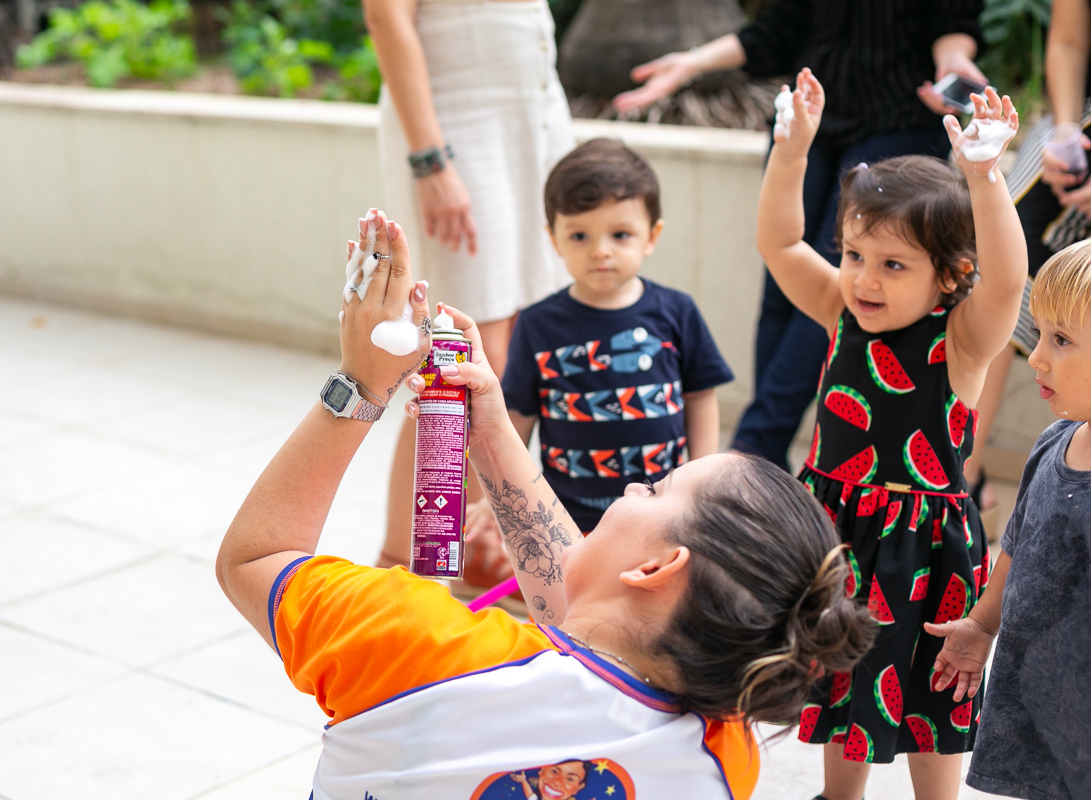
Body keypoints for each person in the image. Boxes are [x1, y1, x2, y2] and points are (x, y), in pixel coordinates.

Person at [216, 211, 876, 800]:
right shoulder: (720, 757)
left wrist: (359, 383)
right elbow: (597, 627)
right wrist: (492, 428)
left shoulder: (411, 640)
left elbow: (255, 556)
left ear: (655, 568)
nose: (629, 489)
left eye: (655, 490)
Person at [757, 70, 1025, 799]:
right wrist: (792, 150)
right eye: (853, 256)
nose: (864, 280)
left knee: (926, 689)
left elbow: (1005, 283)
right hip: (835, 527)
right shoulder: (840, 311)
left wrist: (983, 177)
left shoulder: (963, 338)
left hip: (924, 542)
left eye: (892, 265)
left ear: (948, 276)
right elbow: (779, 241)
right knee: (840, 679)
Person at [613, 0, 986, 471]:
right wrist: (693, 63)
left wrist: (952, 63)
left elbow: (953, 19)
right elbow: (780, 28)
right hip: (811, 118)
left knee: (840, 292)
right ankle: (761, 458)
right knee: (783, 288)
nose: (868, 275)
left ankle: (752, 451)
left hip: (895, 122)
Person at [364, 0, 575, 584]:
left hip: (531, 125)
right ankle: (402, 563)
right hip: (455, 128)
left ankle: (474, 549)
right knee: (460, 357)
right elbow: (386, 18)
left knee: (513, 353)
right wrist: (431, 161)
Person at [497, 138, 734, 533]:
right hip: (568, 520)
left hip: (664, 513)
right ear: (553, 237)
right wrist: (506, 498)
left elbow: (700, 396)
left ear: (651, 236)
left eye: (620, 234)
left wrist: (699, 483)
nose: (600, 251)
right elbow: (517, 417)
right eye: (579, 236)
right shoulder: (537, 324)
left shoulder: (677, 311)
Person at [925, 242, 1091, 800]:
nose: (1037, 357)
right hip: (1041, 704)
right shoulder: (1053, 443)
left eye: (1062, 340)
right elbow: (1018, 546)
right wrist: (981, 625)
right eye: (1040, 334)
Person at [963, 0, 1091, 525]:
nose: (1038, 359)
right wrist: (1066, 135)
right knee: (999, 261)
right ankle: (961, 476)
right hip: (1076, 123)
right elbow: (1068, 40)